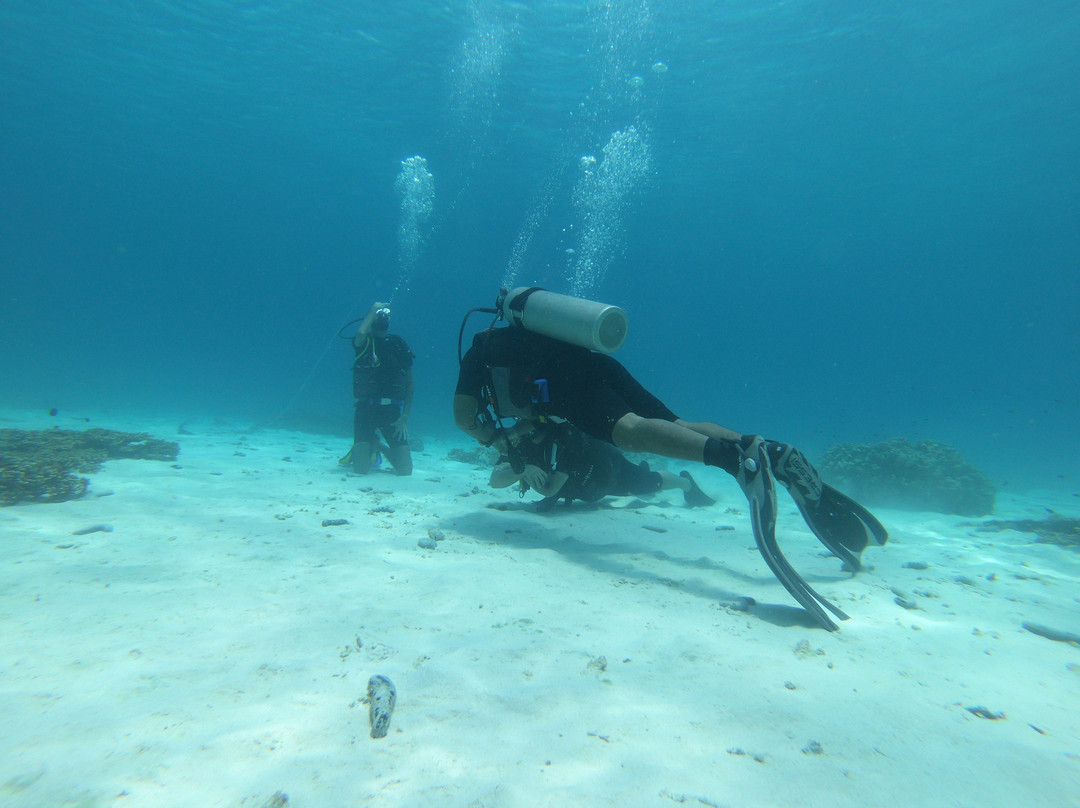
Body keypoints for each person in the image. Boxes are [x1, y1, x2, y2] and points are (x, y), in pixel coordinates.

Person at [453, 291, 888, 630]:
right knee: (676, 423)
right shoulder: (549, 333)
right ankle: (762, 448)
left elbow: (464, 417)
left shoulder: (481, 349)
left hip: (565, 384)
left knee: (629, 432)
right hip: (598, 365)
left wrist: (494, 436)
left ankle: (735, 462)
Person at [488, 419, 715, 510]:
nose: (524, 430)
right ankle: (644, 469)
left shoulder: (566, 439)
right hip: (584, 489)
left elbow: (550, 489)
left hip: (605, 471)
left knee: (645, 483)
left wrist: (523, 473)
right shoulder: (520, 443)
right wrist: (522, 469)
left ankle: (685, 483)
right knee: (640, 480)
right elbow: (494, 481)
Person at [349, 302, 414, 475]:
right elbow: (361, 332)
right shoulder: (365, 343)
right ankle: (364, 447)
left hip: (391, 412)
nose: (381, 318)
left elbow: (410, 384)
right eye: (378, 316)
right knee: (360, 469)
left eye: (384, 316)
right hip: (365, 410)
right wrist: (372, 309)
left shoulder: (398, 344)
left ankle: (376, 445)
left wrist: (405, 418)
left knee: (405, 470)